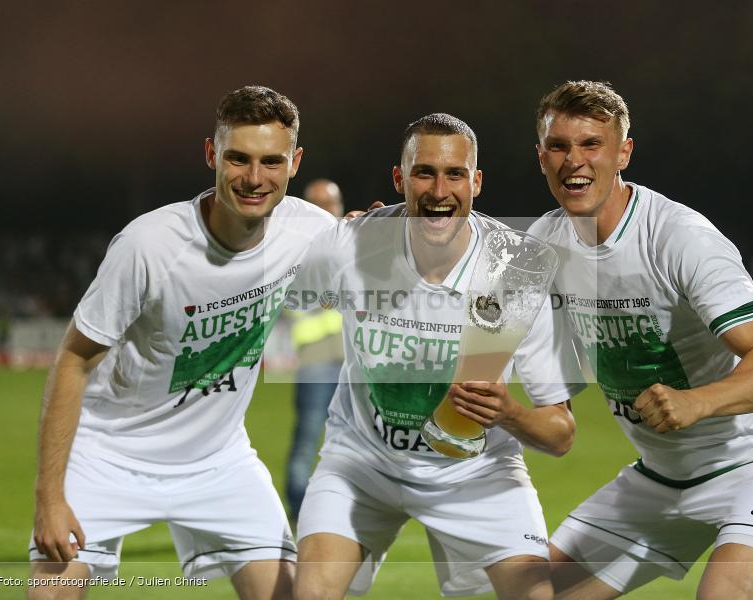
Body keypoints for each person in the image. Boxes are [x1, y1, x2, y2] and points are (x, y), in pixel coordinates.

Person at [28, 85, 337, 599]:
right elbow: (73, 361)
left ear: (295, 162)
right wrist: (49, 496)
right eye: (238, 158)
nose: (254, 178)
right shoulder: (148, 245)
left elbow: (375, 276)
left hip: (219, 460)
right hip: (110, 454)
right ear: (212, 154)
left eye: (270, 161)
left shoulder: (310, 231)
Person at [527, 80, 753, 599]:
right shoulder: (542, 244)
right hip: (660, 480)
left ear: (624, 152)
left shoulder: (678, 236)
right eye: (559, 146)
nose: (573, 160)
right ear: (541, 156)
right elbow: (467, 284)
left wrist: (697, 401)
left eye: (591, 144)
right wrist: (374, 238)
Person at [287, 114, 585, 600]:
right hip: (363, 463)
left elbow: (561, 435)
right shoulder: (352, 244)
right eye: (424, 173)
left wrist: (508, 413)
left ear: (476, 182)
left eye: (455, 174)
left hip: (476, 474)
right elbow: (288, 294)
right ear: (400, 180)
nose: (439, 190)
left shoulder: (517, 271)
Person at [284, 179, 345, 521]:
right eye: (317, 203)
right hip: (316, 357)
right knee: (308, 434)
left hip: (353, 356)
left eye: (331, 203)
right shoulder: (293, 249)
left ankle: (347, 505)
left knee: (357, 434)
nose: (325, 210)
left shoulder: (351, 242)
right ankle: (297, 506)